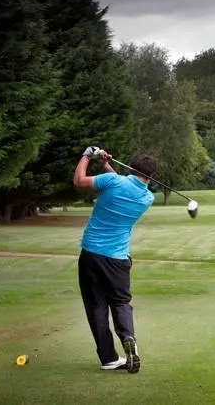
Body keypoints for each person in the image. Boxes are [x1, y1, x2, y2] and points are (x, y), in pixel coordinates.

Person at [72, 146, 157, 374]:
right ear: (150, 175)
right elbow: (122, 184)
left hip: (91, 254)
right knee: (120, 303)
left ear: (131, 167)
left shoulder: (112, 181)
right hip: (117, 260)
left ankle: (109, 358)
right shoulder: (148, 198)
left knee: (97, 306)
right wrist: (105, 163)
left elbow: (79, 181)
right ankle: (128, 337)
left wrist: (87, 156)